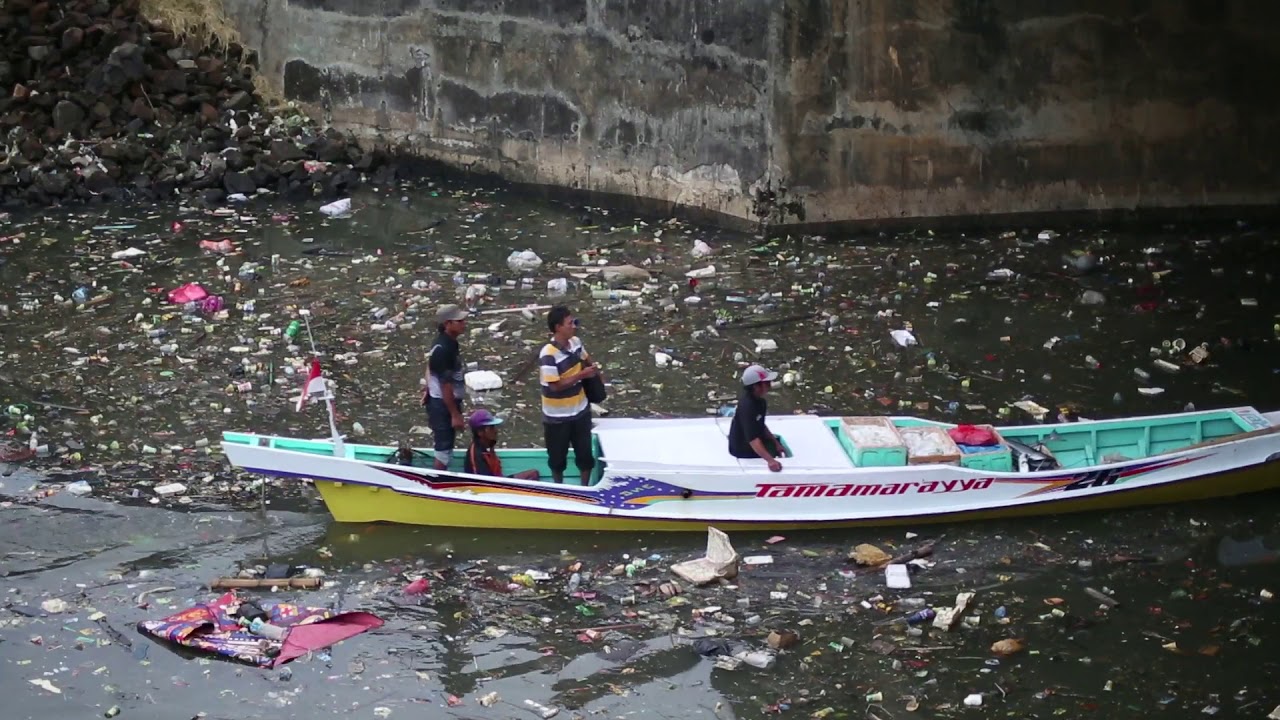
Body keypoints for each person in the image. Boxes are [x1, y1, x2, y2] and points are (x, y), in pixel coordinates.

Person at [539, 306, 598, 484]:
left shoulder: (576, 343)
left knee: (585, 456)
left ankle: (584, 487)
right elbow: (555, 386)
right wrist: (581, 375)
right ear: (558, 327)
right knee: (557, 459)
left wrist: (595, 373)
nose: (574, 326)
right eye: (570, 323)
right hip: (556, 417)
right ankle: (559, 487)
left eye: (574, 322)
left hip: (580, 411)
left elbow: (586, 359)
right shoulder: (548, 354)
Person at [423, 304, 468, 470]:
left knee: (447, 445)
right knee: (443, 448)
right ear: (447, 324)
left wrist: (428, 387)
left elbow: (430, 367)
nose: (463, 324)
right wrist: (455, 414)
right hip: (442, 404)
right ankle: (436, 480)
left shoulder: (450, 343)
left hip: (446, 401)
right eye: (459, 321)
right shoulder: (442, 349)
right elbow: (445, 384)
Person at [728, 364, 785, 472]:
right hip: (743, 448)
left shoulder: (760, 402)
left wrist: (776, 443)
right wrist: (770, 461)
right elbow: (752, 439)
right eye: (766, 383)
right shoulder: (747, 406)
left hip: (755, 440)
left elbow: (760, 425)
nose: (770, 385)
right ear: (756, 386)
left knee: (776, 447)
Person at [463, 409, 541, 480]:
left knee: (533, 474)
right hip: (493, 487)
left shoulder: (487, 446)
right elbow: (483, 483)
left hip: (498, 482)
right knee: (532, 475)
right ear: (480, 432)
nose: (496, 431)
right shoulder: (476, 454)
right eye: (491, 428)